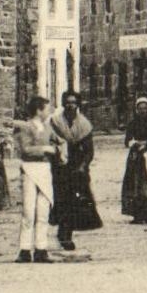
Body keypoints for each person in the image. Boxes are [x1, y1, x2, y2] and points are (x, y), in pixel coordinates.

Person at [50, 90, 102, 248]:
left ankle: (66, 233)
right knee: (61, 200)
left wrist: (83, 166)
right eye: (67, 102)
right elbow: (50, 141)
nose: (70, 105)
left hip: (77, 167)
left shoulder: (84, 125)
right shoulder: (55, 122)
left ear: (78, 104)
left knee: (75, 202)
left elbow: (89, 151)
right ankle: (63, 231)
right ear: (63, 103)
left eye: (73, 102)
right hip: (60, 166)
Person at [12, 96, 59, 262]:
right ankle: (24, 249)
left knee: (43, 210)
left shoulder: (48, 128)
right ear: (39, 110)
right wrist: (45, 148)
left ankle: (41, 249)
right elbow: (25, 149)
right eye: (47, 108)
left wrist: (60, 149)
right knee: (28, 212)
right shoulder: (26, 127)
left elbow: (59, 141)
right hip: (30, 169)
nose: (49, 111)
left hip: (45, 170)